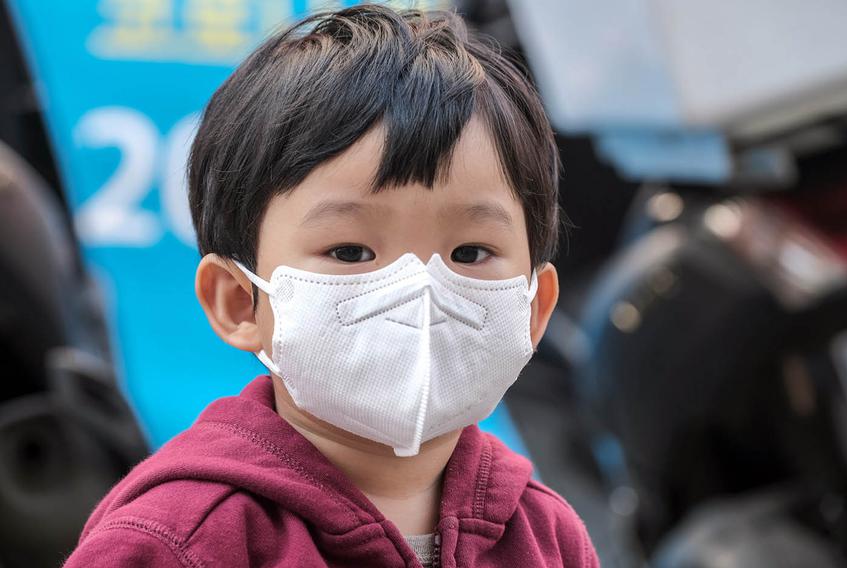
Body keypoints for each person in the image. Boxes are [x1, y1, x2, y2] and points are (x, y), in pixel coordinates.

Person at [63, 4, 597, 567]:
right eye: (350, 251)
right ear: (239, 300)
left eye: (470, 253)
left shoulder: (546, 534)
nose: (419, 290)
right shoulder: (177, 541)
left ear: (534, 308)